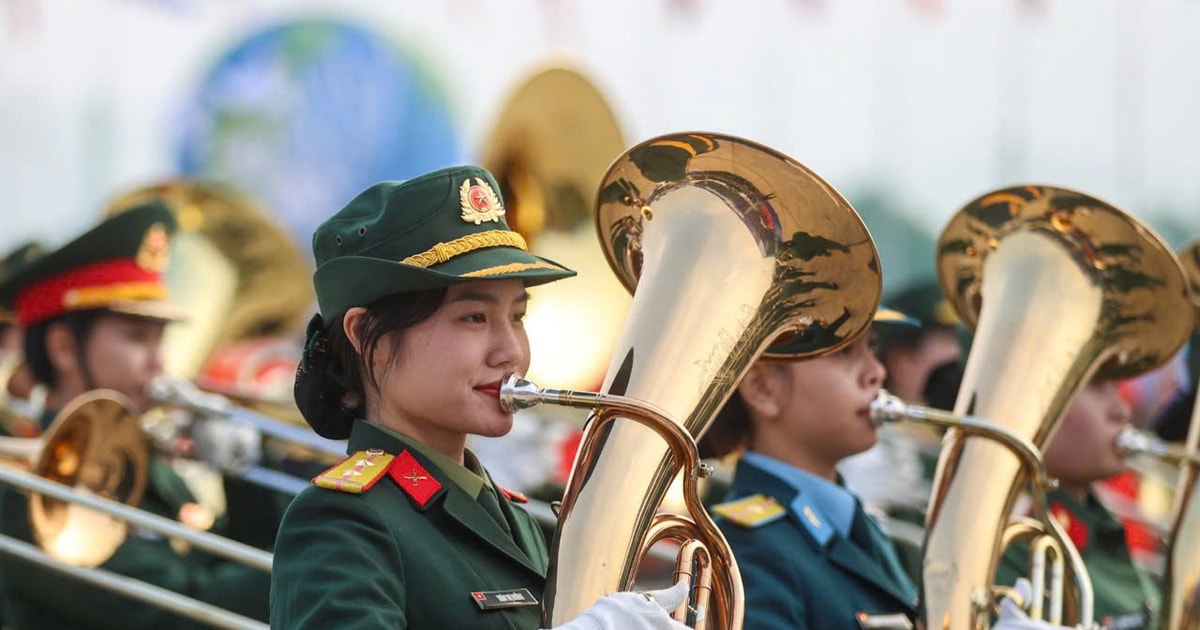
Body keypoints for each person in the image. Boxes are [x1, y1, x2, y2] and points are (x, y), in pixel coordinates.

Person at [271, 165, 689, 629]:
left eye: (517, 315)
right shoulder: (340, 521)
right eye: (473, 317)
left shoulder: (512, 516)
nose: (511, 352)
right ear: (368, 336)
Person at [0, 203, 271, 628]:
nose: (158, 362)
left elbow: (237, 556)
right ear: (63, 348)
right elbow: (186, 613)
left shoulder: (146, 464)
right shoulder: (25, 491)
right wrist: (325, 561)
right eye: (136, 337)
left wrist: (245, 473)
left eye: (160, 339)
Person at [700, 309, 921, 629]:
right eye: (844, 351)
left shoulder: (856, 522)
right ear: (762, 387)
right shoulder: (750, 548)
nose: (877, 372)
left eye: (871, 348)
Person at [995, 378, 1161, 629]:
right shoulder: (1008, 546)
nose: (1122, 410)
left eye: (1116, 386)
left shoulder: (1100, 526)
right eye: (1095, 385)